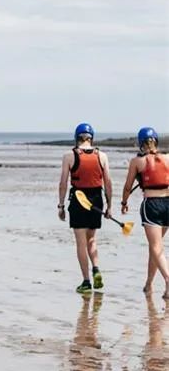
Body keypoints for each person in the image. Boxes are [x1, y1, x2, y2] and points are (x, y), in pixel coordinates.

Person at [58, 123, 112, 294]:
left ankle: (86, 281)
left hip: (78, 200)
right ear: (91, 138)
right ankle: (96, 268)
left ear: (76, 138)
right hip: (97, 199)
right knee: (92, 240)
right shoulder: (102, 156)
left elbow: (63, 183)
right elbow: (108, 182)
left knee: (81, 243)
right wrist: (110, 205)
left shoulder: (69, 156)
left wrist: (61, 205)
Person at [120, 127, 169, 299]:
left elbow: (127, 186)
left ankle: (168, 280)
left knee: (156, 247)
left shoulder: (137, 162)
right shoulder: (168, 158)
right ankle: (149, 284)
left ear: (141, 143)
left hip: (152, 206)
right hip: (168, 204)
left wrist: (124, 203)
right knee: (156, 247)